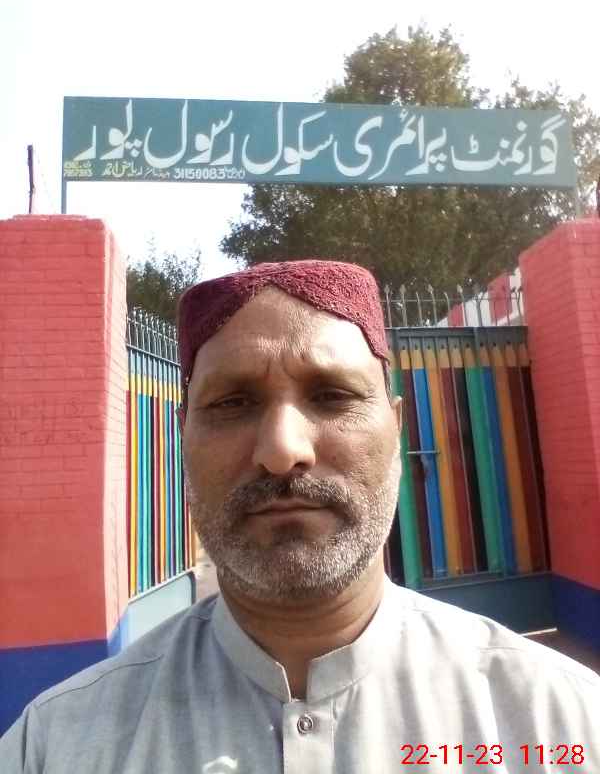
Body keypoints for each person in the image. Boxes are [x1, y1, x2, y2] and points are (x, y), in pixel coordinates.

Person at [1, 260, 598, 773]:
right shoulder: (56, 745)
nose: (282, 451)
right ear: (185, 438)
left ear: (395, 428)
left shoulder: (559, 721)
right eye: (232, 402)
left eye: (332, 396)